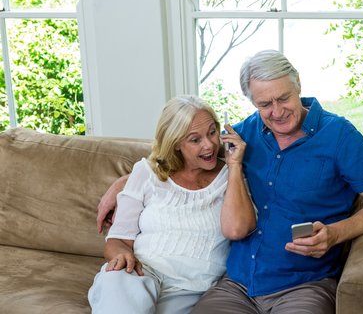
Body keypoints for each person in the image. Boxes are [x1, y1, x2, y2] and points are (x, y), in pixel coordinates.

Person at [97, 50, 363, 313]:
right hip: (236, 285)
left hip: (303, 284)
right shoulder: (244, 135)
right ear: (252, 101)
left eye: (284, 98)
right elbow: (187, 155)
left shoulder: (340, 136)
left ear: (298, 86)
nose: (277, 112)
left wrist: (334, 233)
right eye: (264, 104)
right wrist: (126, 181)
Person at [88, 95, 256, 314]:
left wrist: (234, 165)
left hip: (190, 290)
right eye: (195, 140)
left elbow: (238, 228)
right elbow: (117, 240)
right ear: (176, 143)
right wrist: (121, 254)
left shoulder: (231, 177)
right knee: (120, 293)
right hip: (138, 274)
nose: (209, 145)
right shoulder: (146, 173)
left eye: (212, 132)